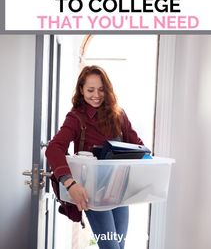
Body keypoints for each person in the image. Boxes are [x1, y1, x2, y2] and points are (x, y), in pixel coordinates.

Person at [46, 65, 143, 249]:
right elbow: (54, 148)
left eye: (101, 90)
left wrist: (148, 161)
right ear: (81, 89)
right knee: (111, 247)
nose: (96, 95)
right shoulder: (76, 118)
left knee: (118, 246)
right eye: (90, 90)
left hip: (120, 192)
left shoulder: (119, 115)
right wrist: (70, 183)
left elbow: (139, 145)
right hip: (93, 195)